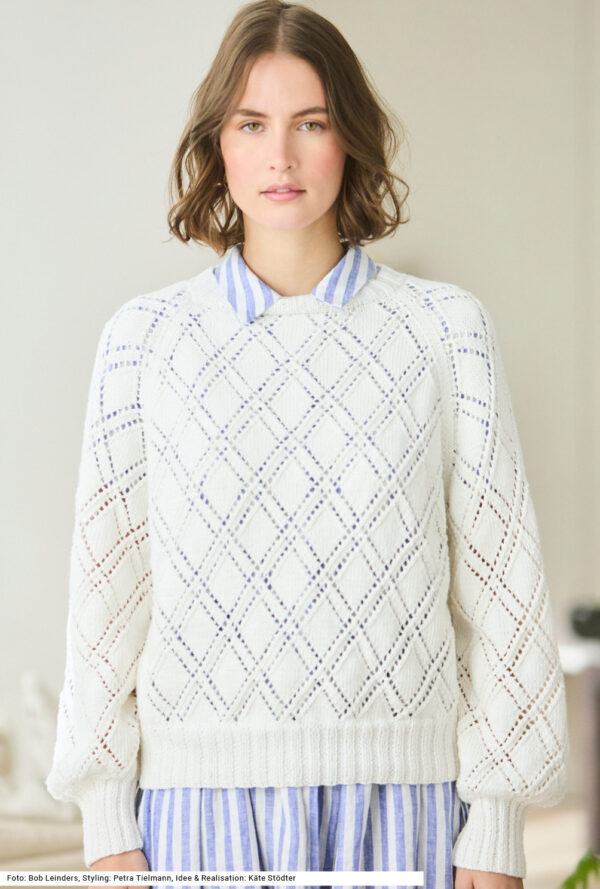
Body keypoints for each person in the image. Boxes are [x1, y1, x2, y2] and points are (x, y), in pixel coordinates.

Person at [45, 2, 569, 888]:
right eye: (252, 124)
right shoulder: (145, 342)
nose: (280, 156)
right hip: (194, 815)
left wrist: (498, 825)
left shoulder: (445, 331)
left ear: (350, 138)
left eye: (311, 123)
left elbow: (502, 584)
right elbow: (107, 594)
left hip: (406, 806)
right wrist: (105, 820)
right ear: (219, 145)